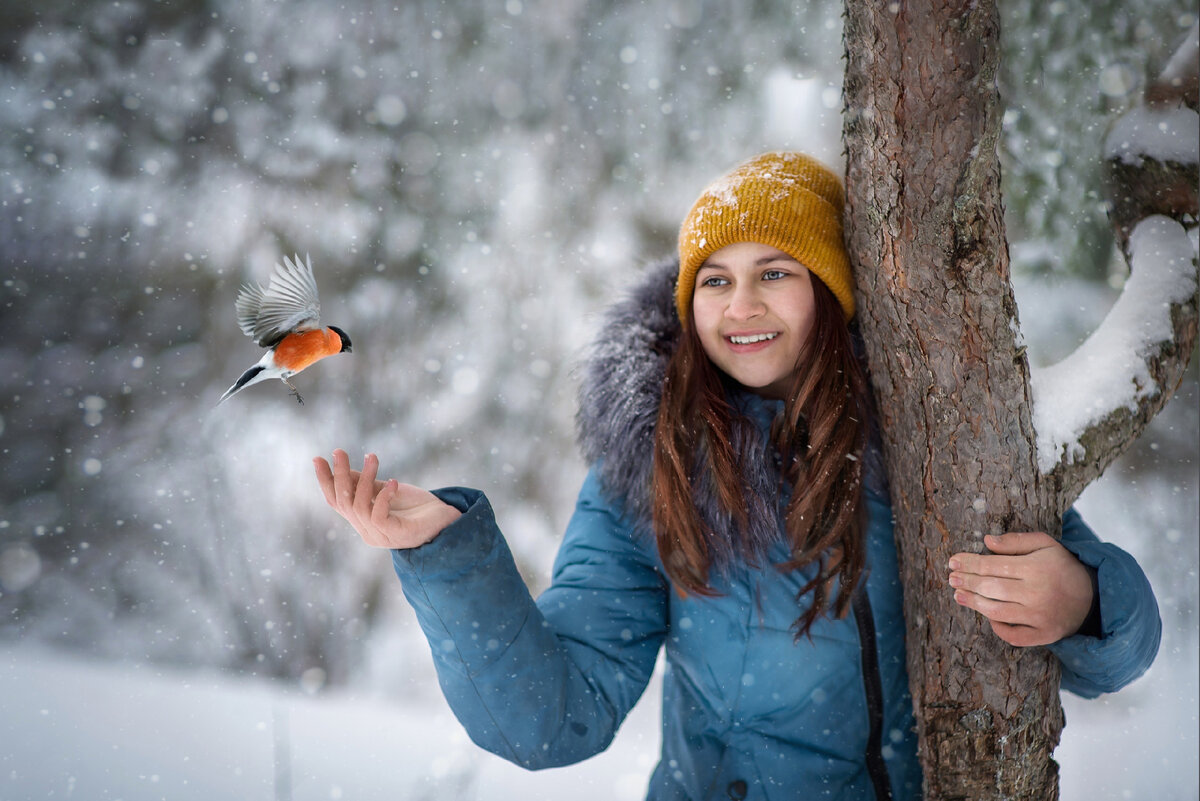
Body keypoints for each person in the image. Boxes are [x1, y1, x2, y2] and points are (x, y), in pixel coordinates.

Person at [313, 152, 1161, 800]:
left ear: (831, 292)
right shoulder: (649, 466)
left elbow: (1120, 654)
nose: (740, 306)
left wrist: (1083, 599)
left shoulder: (935, 439)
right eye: (714, 280)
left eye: (775, 273)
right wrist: (448, 557)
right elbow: (552, 718)